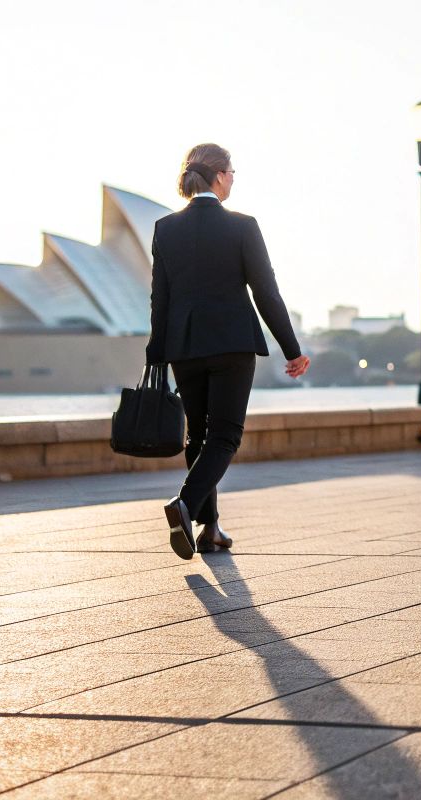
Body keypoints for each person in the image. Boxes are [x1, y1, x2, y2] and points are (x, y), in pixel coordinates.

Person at [146, 144, 309, 560]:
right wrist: (292, 349)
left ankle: (210, 528)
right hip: (232, 343)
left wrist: (157, 350)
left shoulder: (166, 228)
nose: (234, 178)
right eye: (233, 171)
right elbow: (266, 293)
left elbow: (159, 299)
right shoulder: (242, 226)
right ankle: (185, 504)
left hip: (184, 346)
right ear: (218, 175)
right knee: (225, 435)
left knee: (197, 436)